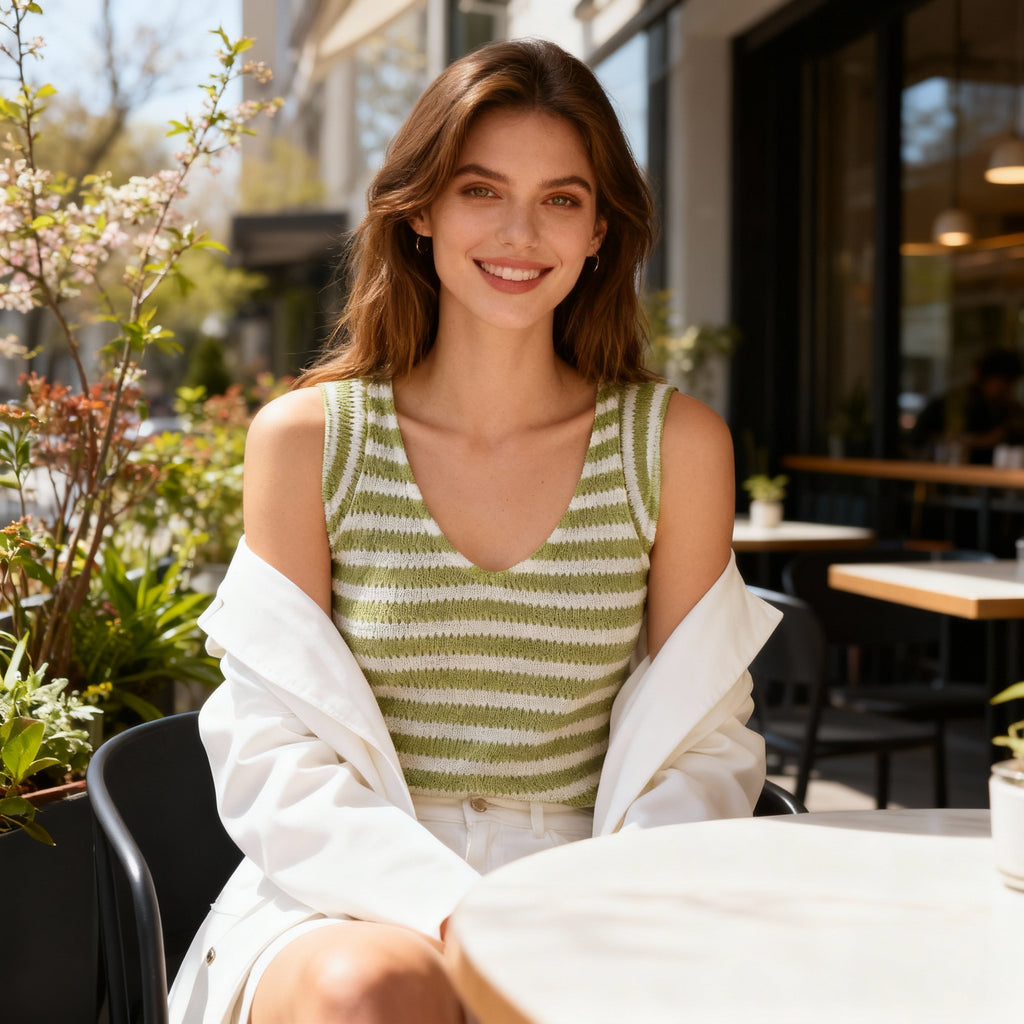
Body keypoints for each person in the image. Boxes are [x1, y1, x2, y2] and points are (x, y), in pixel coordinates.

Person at [169, 38, 780, 1024]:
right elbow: (267, 744)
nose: (520, 231)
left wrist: (590, 901)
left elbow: (703, 743)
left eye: (562, 198)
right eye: (481, 190)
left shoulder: (673, 445)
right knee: (376, 990)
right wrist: (454, 911)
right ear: (419, 211)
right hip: (348, 890)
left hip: (596, 882)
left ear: (598, 232)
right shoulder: (306, 440)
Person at [910, 347, 1024, 463]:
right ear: (982, 377)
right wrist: (978, 441)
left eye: (1010, 384)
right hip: (951, 475)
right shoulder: (949, 404)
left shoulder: (1010, 410)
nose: (1007, 390)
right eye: (1003, 383)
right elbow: (918, 441)